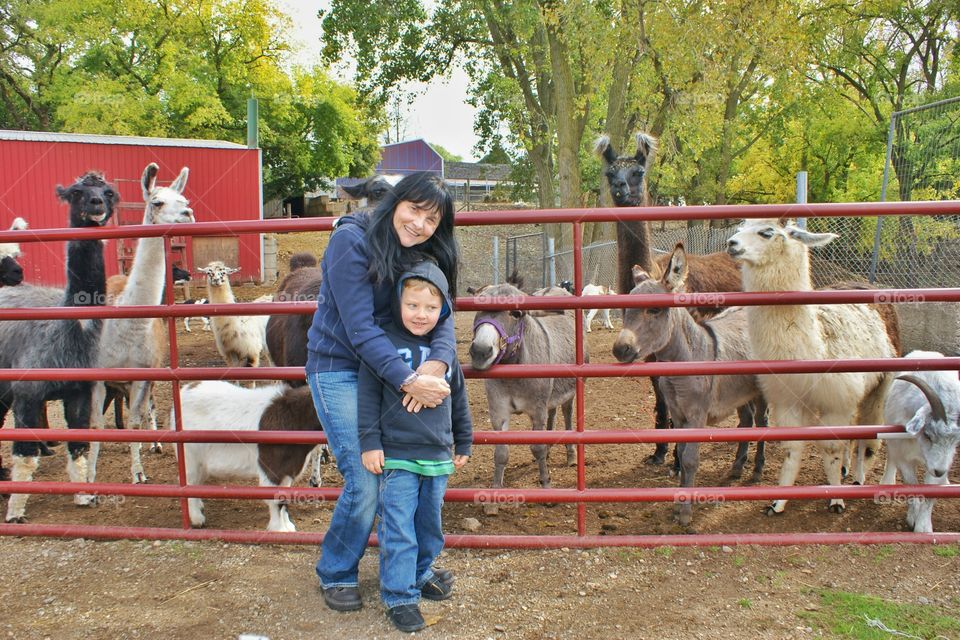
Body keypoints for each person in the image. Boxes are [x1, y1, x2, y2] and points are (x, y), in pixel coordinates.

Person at [305, 171, 460, 613]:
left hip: (398, 370)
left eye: (432, 219)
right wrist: (409, 380)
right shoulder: (350, 242)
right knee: (366, 478)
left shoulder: (422, 251)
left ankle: (412, 570)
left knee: (411, 472)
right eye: (414, 209)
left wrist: (438, 361)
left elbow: (445, 313)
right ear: (394, 202)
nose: (420, 224)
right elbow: (359, 329)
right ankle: (336, 570)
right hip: (341, 368)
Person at [359, 264, 472, 633]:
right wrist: (370, 443)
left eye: (430, 307)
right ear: (397, 303)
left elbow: (460, 400)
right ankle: (399, 595)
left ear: (442, 310)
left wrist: (463, 440)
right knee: (398, 527)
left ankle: (420, 573)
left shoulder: (446, 357)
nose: (421, 314)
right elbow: (367, 398)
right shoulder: (384, 347)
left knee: (430, 525)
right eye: (412, 305)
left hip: (437, 456)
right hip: (397, 456)